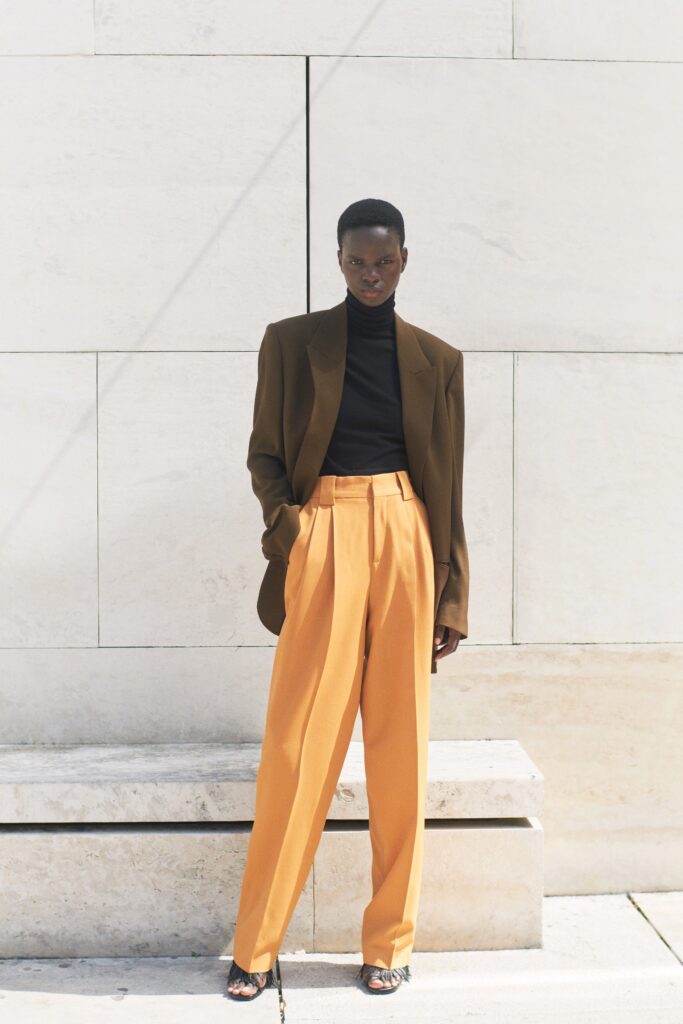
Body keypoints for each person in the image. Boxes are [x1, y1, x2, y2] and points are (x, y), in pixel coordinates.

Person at [227, 198, 469, 1004]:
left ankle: (388, 941)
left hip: (406, 534)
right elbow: (265, 452)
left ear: (405, 260)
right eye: (357, 262)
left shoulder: (437, 359)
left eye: (385, 262)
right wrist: (288, 526)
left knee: (400, 751)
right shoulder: (291, 343)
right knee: (297, 748)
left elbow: (449, 489)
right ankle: (256, 947)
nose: (371, 275)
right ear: (337, 260)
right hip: (323, 531)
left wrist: (451, 596)